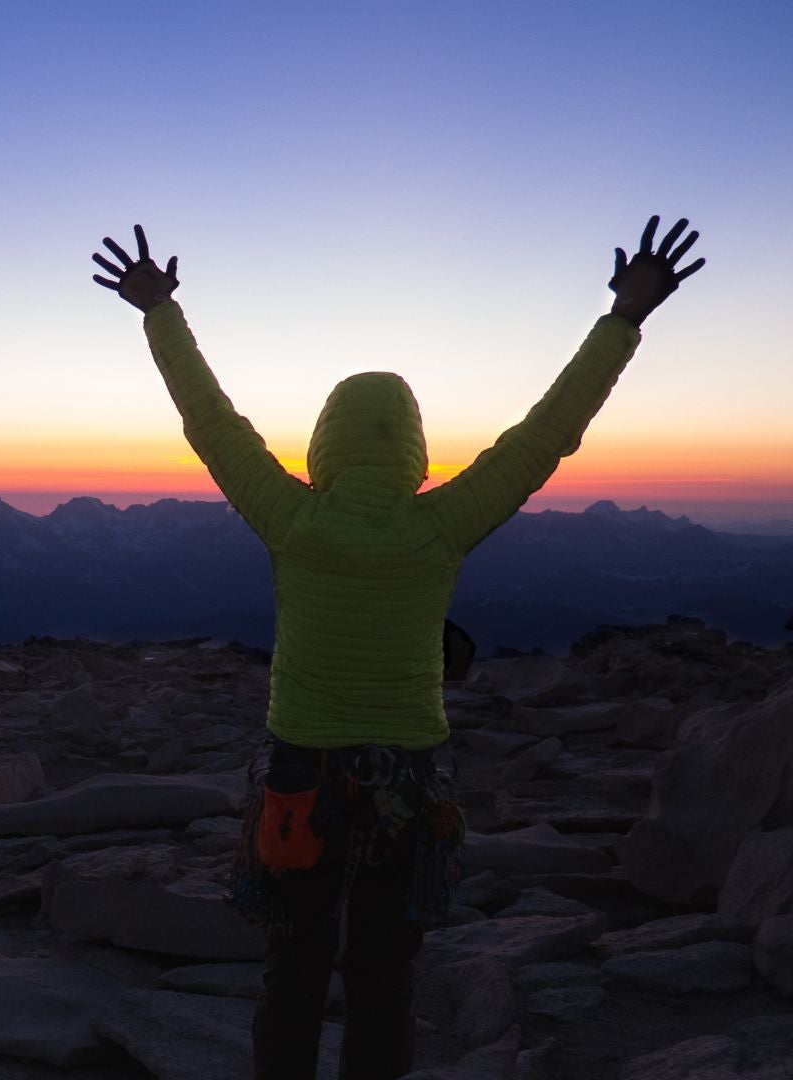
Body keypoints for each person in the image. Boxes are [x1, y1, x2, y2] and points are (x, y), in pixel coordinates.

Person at [90, 217, 704, 1080]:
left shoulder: (291, 518)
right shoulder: (442, 526)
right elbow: (547, 433)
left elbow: (210, 420)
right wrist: (624, 318)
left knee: (292, 971)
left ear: (325, 444)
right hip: (409, 782)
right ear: (414, 448)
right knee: (384, 977)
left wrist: (159, 311)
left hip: (297, 770)